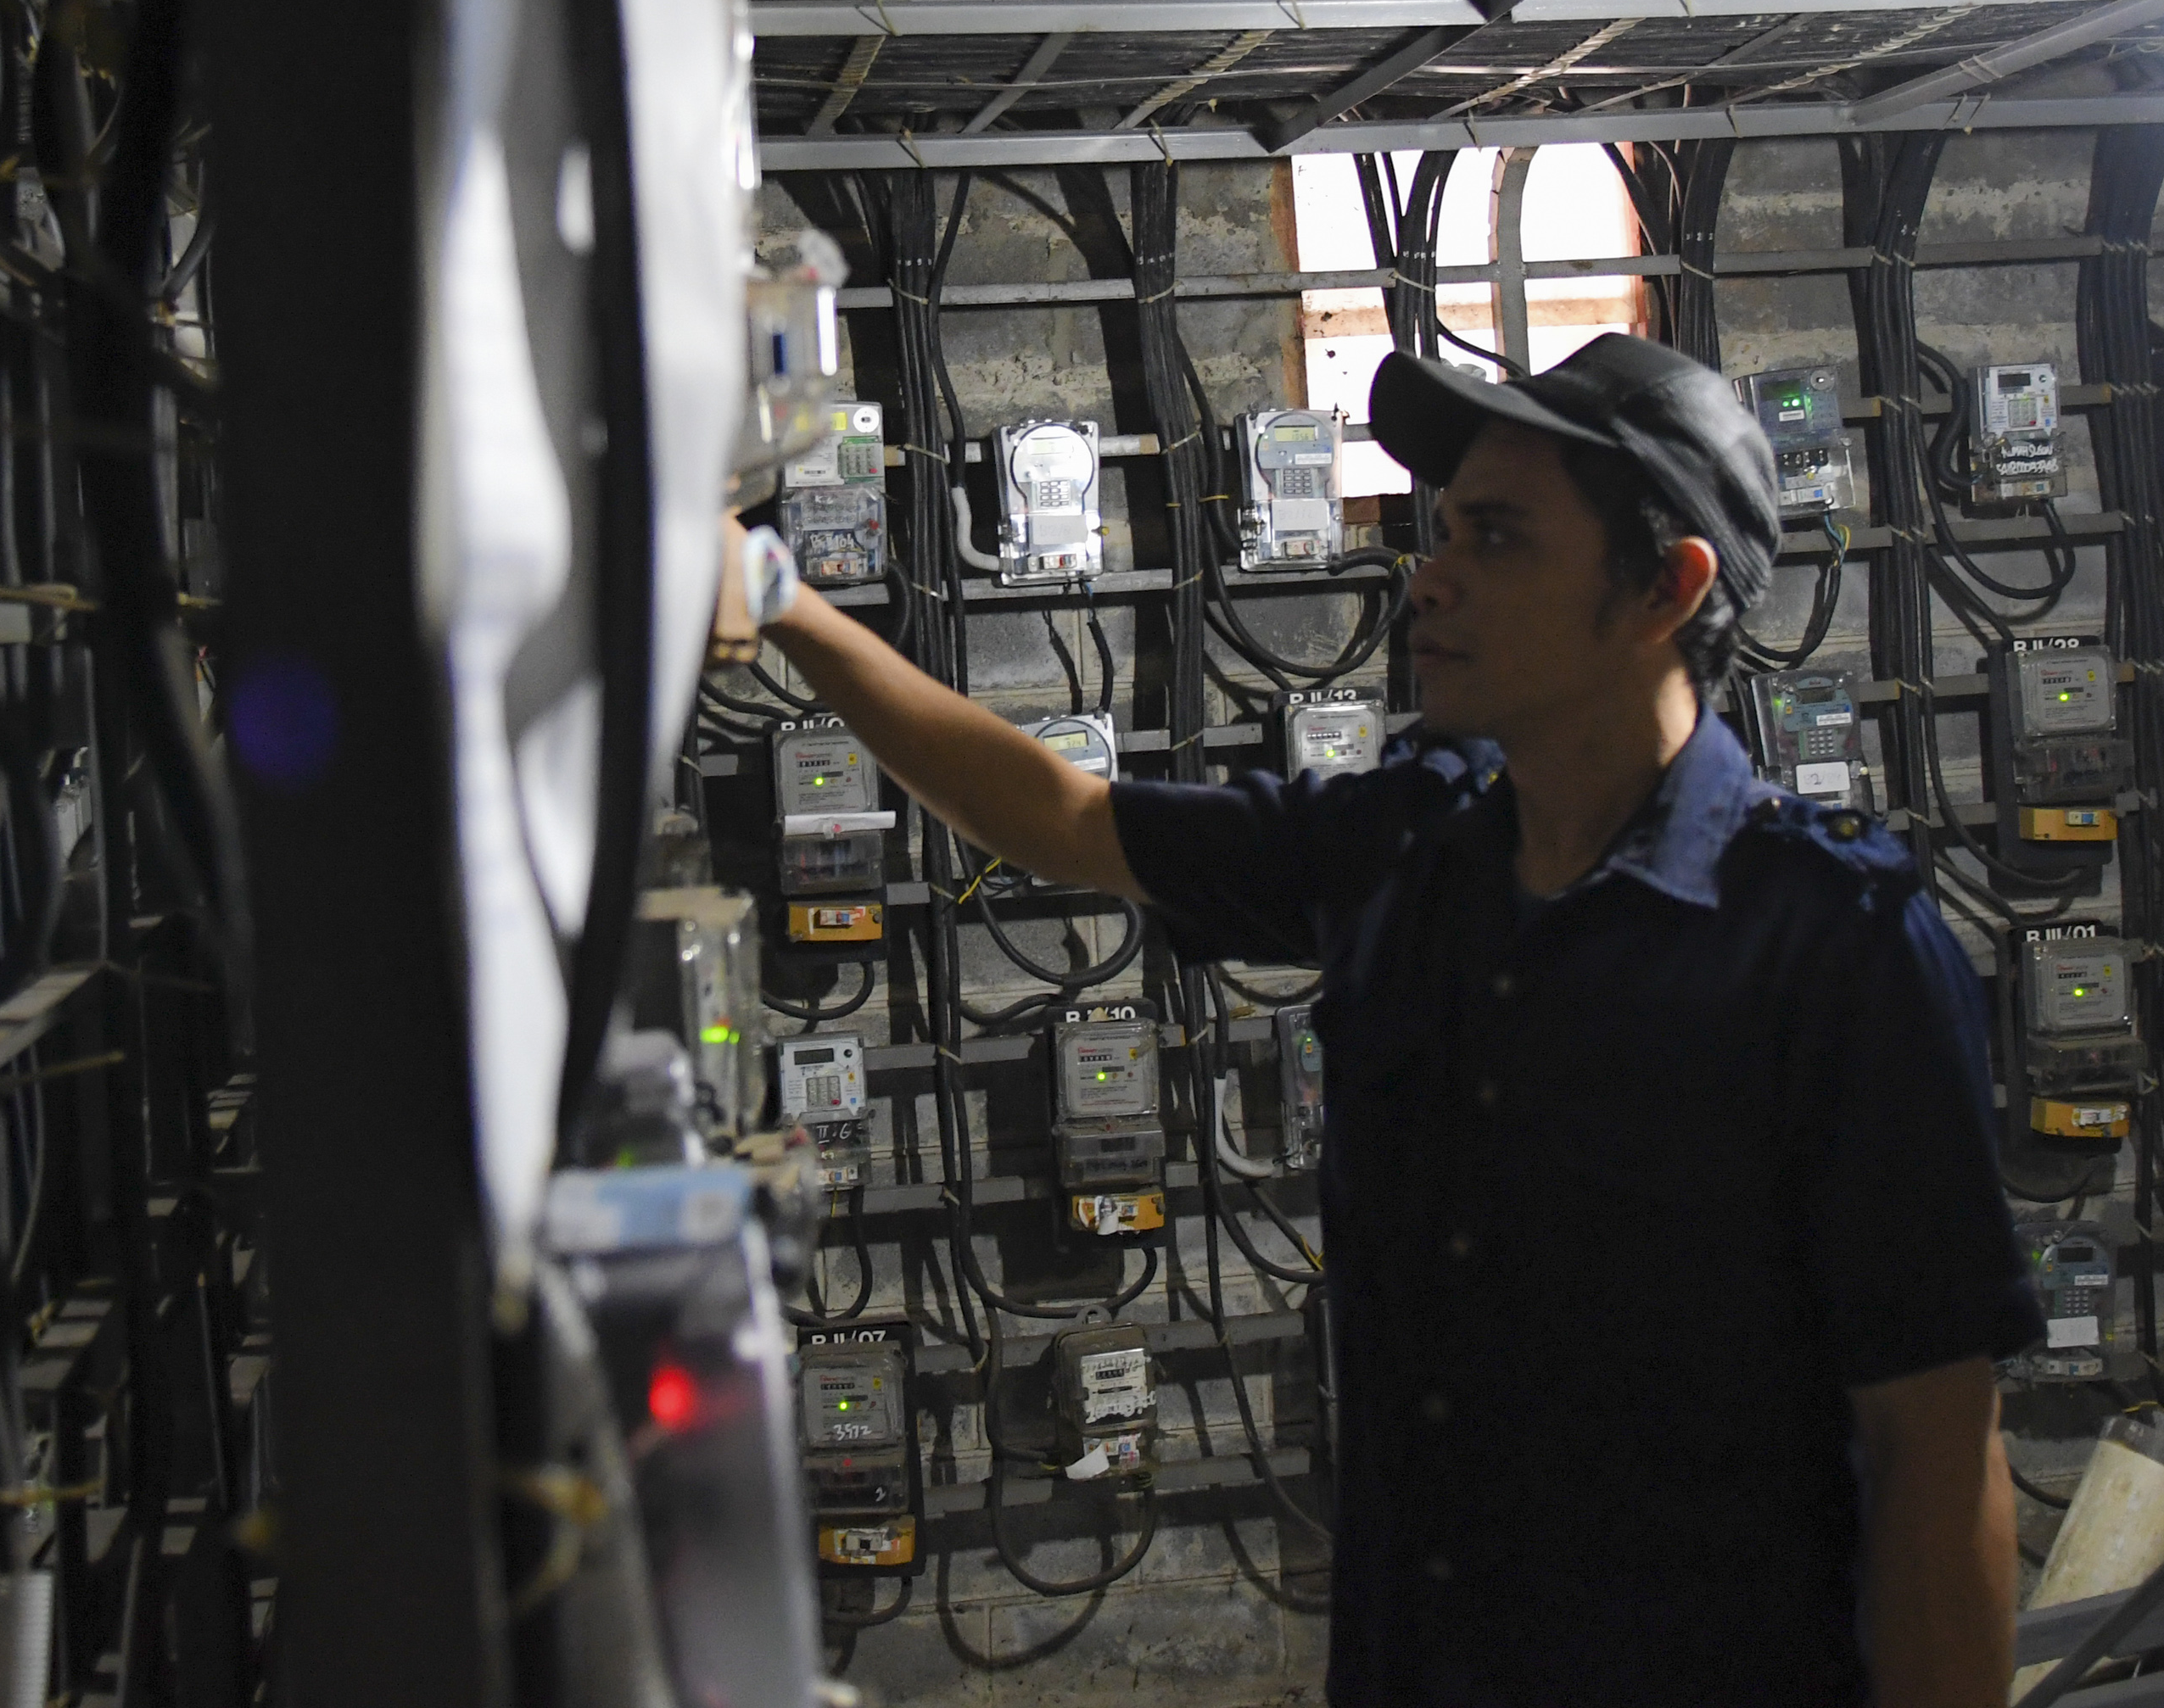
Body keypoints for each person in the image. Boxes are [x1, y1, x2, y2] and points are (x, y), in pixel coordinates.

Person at [741, 332, 2040, 1708]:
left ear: (1666, 586)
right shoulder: (1406, 848)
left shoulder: (1833, 947)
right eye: (1438, 532)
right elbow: (1062, 819)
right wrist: (783, 600)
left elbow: (1938, 1459)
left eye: (1498, 539)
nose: (1429, 577)